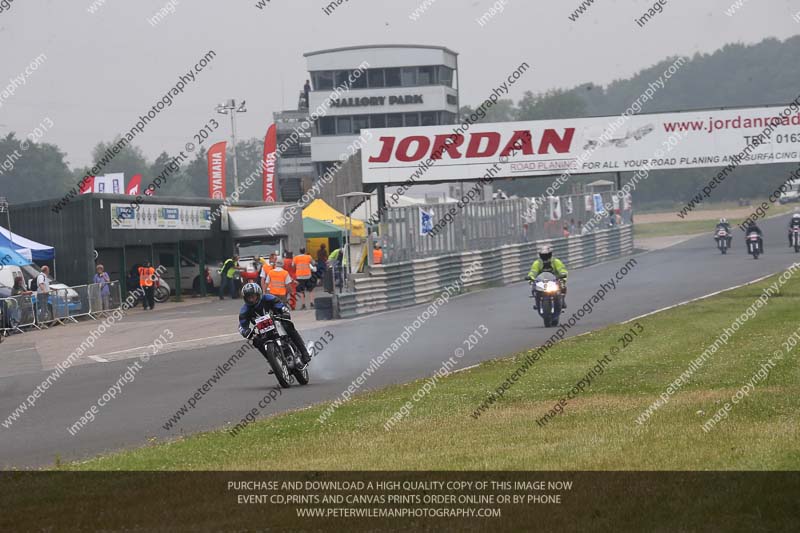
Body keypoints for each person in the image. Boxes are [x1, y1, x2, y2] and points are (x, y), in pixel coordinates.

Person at [238, 283, 311, 365]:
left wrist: (284, 312)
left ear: (258, 294)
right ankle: (272, 362)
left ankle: (304, 352)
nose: (251, 299)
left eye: (253, 296)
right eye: (248, 297)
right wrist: (245, 331)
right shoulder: (244, 310)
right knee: (255, 340)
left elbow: (282, 306)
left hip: (277, 321)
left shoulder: (269, 298)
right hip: (263, 330)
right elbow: (241, 326)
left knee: (288, 325)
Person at [527, 245, 569, 309]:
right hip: (541, 282)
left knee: (563, 286)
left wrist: (563, 276)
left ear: (550, 254)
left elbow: (562, 269)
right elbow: (533, 271)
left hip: (554, 280)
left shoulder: (556, 261)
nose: (545, 257)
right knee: (533, 287)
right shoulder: (537, 263)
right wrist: (531, 278)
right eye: (543, 255)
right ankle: (537, 302)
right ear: (540, 255)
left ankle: (562, 300)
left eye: (547, 255)